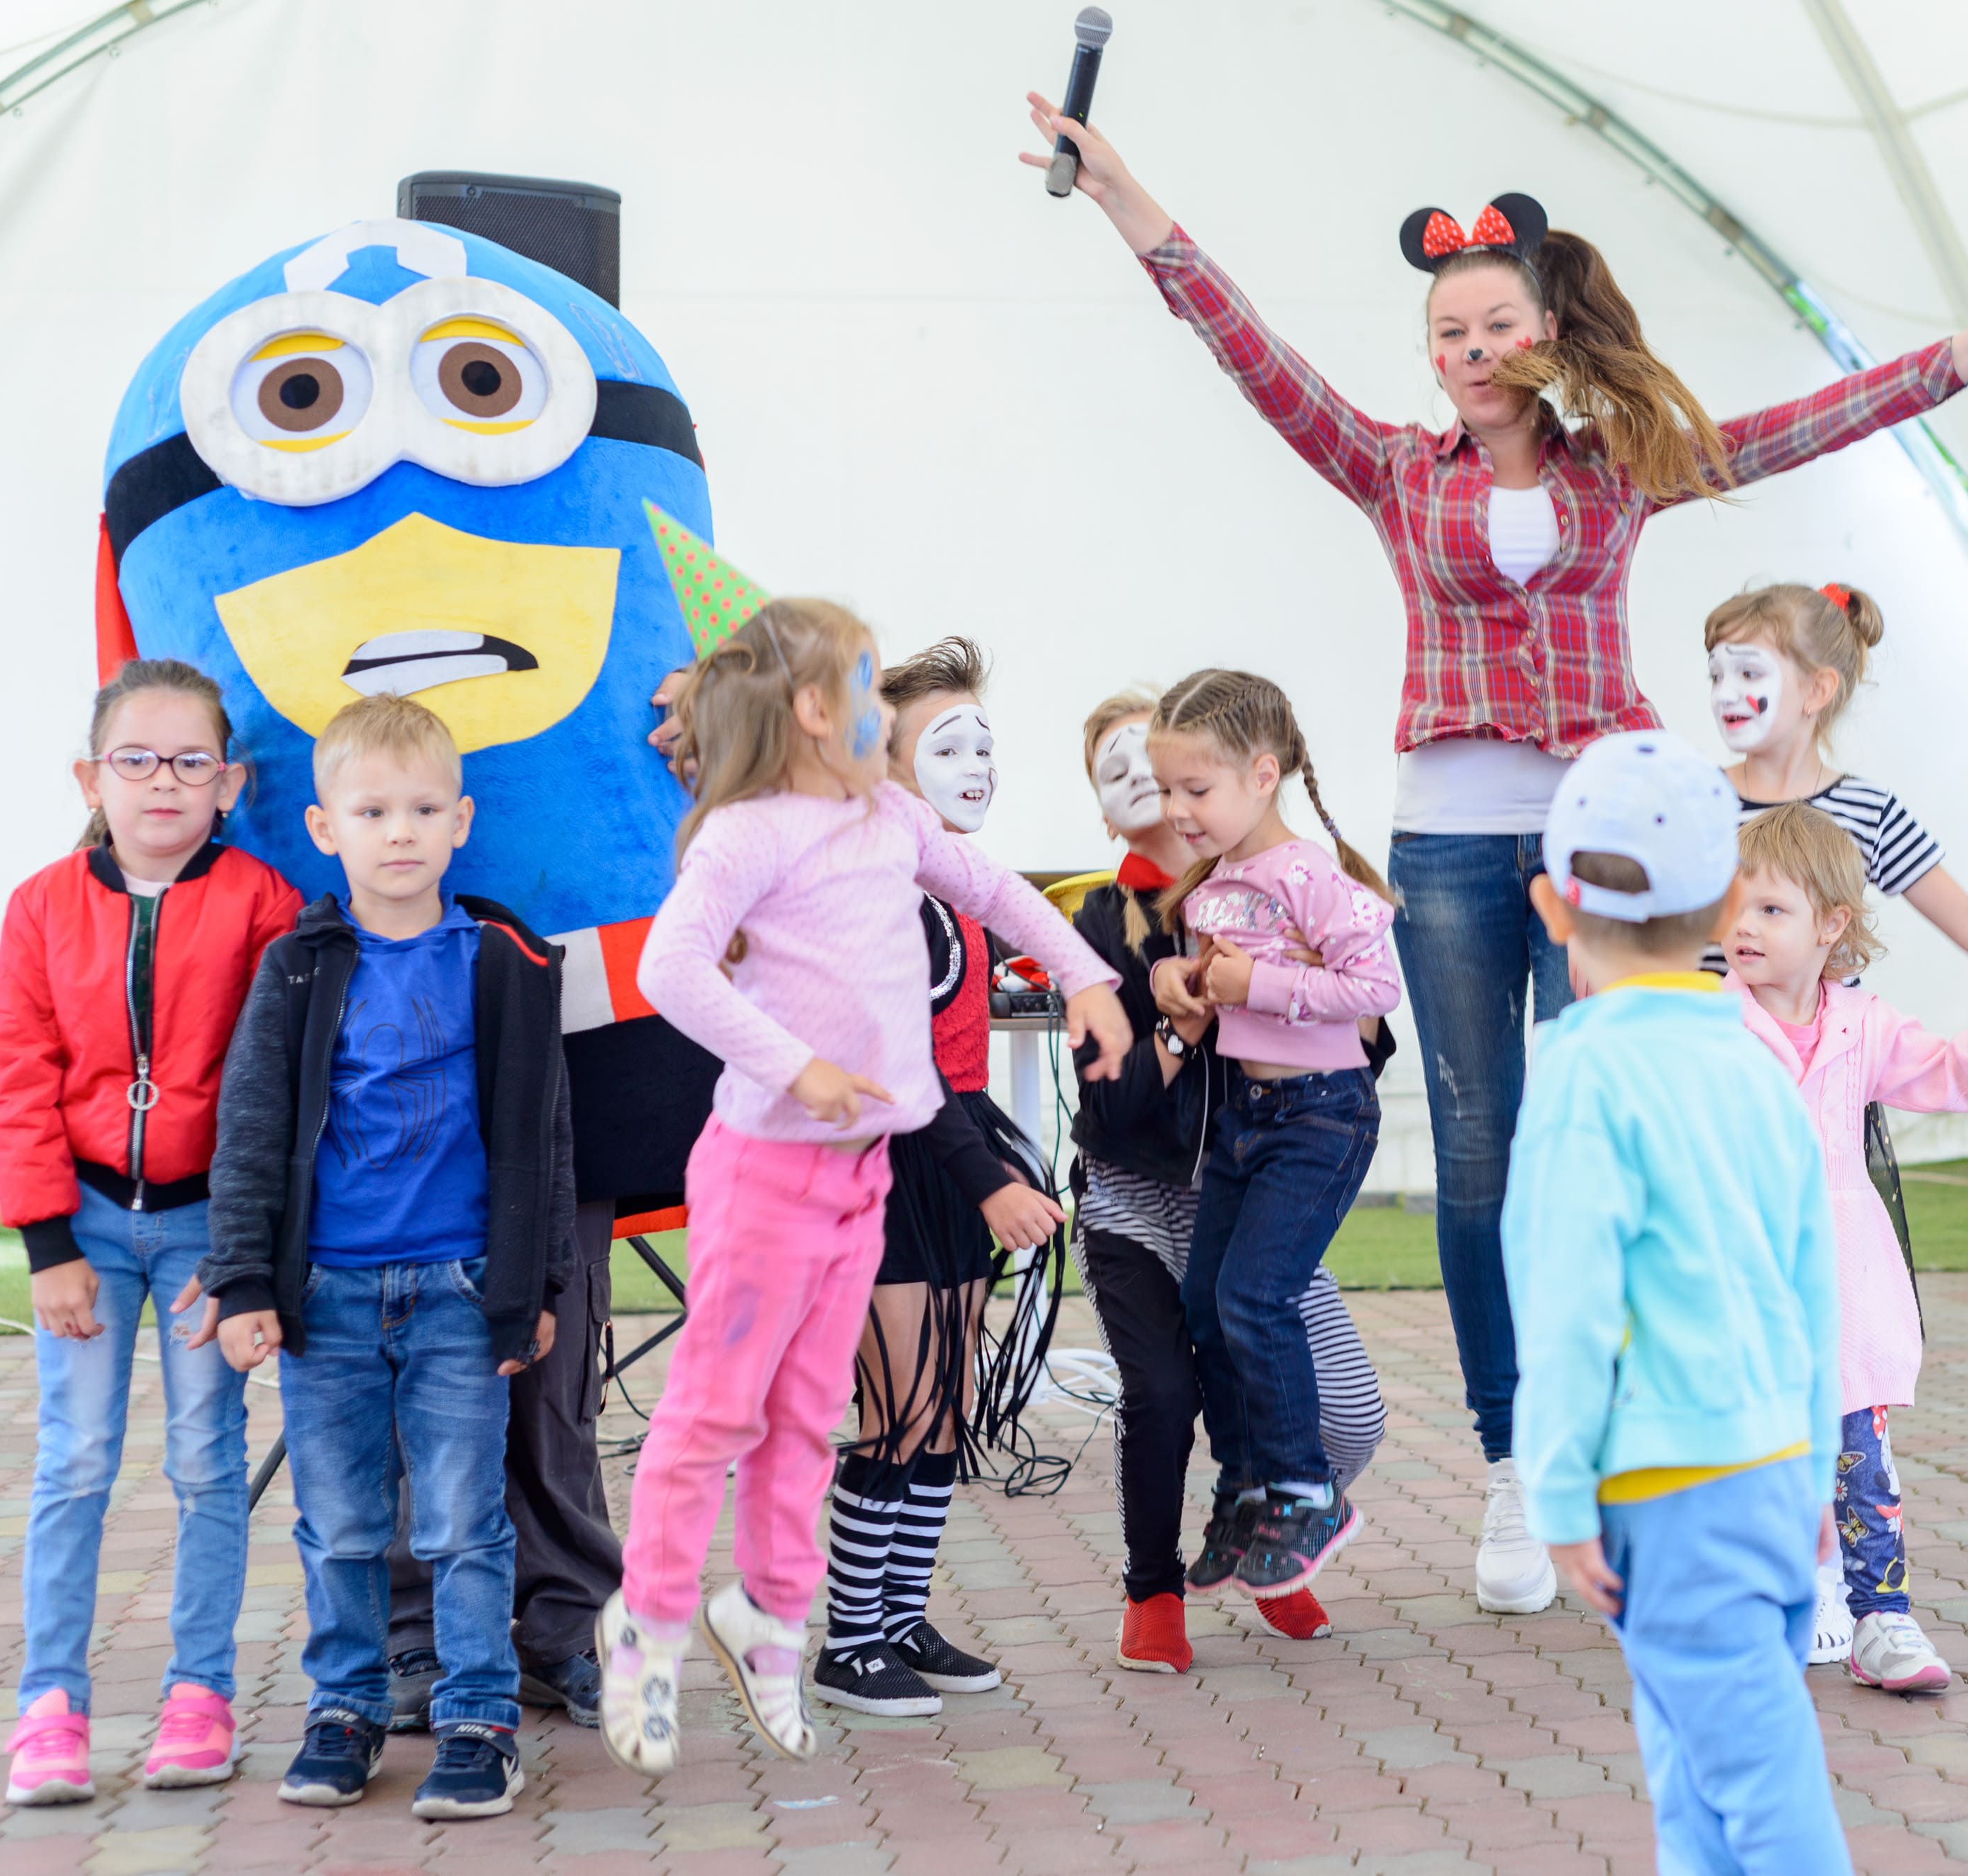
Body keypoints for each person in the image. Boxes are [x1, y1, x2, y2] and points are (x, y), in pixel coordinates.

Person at [1024, 93, 1968, 1614]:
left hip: (1604, 836)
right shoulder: (1395, 471)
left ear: (1545, 332)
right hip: (1455, 843)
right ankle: (1510, 1460)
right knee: (1478, 1157)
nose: (1467, 352)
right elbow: (1247, 348)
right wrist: (1123, 193)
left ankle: (1640, 1445)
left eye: (1493, 326)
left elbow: (1812, 423)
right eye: (1446, 332)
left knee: (1618, 1136)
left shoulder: (1624, 463)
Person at [592, 582, 1128, 1777]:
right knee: (716, 1413)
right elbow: (673, 967)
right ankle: (648, 1622)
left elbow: (997, 891)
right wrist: (802, 1066)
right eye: (870, 681)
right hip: (767, 1164)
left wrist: (1086, 975)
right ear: (812, 708)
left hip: (863, 1173)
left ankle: (785, 1617)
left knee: (803, 1419)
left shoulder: (893, 820)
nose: (888, 704)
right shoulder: (748, 832)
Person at [200, 692, 577, 1821]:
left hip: (463, 1287)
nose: (400, 831)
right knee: (343, 1520)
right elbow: (252, 1127)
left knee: (463, 1515)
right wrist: (243, 1279)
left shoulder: (506, 960)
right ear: (326, 828)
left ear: (462, 820)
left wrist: (543, 1282)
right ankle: (349, 1706)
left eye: (423, 808)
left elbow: (544, 1135)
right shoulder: (300, 968)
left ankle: (478, 1717)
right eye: (373, 810)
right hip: (328, 1295)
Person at [1503, 729, 1849, 1875]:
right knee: (1694, 1768)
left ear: (1553, 907)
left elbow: (1566, 1310)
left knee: (1752, 1775)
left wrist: (1554, 1491)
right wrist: (1808, 1475)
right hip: (1766, 1468)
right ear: (1723, 918)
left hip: (1668, 1482)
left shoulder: (1583, 1077)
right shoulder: (1757, 1067)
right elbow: (1810, 1290)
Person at [0, 660, 302, 1807]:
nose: (162, 781)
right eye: (136, 759)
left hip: (200, 1238)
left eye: (189, 761)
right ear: (92, 775)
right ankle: (50, 1702)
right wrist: (43, 1244)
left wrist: (242, 1256)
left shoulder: (264, 903)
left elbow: (266, 1092)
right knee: (73, 1460)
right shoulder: (41, 905)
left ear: (230, 782)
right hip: (83, 1229)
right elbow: (18, 1075)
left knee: (207, 1462)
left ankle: (199, 1692)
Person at [1068, 691, 1391, 1673]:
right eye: (1132, 777)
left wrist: (1271, 982)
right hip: (1134, 1196)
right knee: (1164, 1392)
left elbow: (1369, 1036)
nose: (1162, 796)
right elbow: (1114, 1110)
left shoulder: (1271, 883)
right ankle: (1155, 1585)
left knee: (1349, 1404)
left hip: (1254, 1174)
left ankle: (1277, 1524)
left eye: (1178, 779)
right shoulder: (1098, 919)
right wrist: (1180, 1017)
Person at [1723, 805, 1968, 1694]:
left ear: (1831, 925)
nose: (1743, 926)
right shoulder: (1707, 1029)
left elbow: (1952, 1076)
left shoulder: (1863, 1028)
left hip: (1846, 1299)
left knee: (1863, 1469)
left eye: (1772, 911)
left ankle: (1883, 1621)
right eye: (1735, 907)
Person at [812, 637, 1064, 1718]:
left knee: (948, 1411)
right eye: (945, 743)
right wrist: (991, 1175)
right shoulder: (875, 893)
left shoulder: (955, 889)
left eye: (985, 744)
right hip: (891, 1171)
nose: (976, 764)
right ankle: (848, 1636)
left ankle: (902, 1612)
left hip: (957, 1161)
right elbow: (903, 1068)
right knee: (897, 1411)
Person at [1144, 670, 1401, 1603]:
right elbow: (1221, 979)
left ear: (1263, 774)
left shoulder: (1310, 874)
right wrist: (1185, 982)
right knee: (1209, 1302)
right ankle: (1248, 1484)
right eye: (1166, 789)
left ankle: (1305, 1489)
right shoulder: (1215, 885)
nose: (1177, 809)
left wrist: (1261, 988)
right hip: (1246, 1116)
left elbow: (1374, 991)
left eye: (1195, 790)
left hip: (1321, 1114)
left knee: (1257, 1296)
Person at [1702, 580, 1968, 1056]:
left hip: (1826, 1076)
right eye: (1716, 676)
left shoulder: (1870, 811)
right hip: (1715, 1067)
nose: (1725, 694)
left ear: (1817, 689)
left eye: (1749, 674)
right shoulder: (1688, 802)